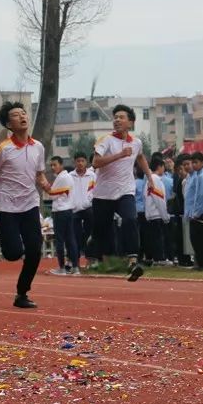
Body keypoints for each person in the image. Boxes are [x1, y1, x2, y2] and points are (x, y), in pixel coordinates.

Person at [0, 102, 52, 309]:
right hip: (7, 205)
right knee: (12, 253)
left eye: (23, 113)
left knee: (35, 250)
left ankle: (22, 293)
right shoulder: (3, 149)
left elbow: (39, 173)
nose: (22, 116)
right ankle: (2, 231)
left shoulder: (38, 147)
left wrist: (45, 184)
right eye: (15, 115)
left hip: (29, 203)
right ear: (8, 124)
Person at [91, 104, 153, 282]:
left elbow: (140, 157)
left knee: (130, 219)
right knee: (101, 231)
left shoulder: (136, 142)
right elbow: (95, 162)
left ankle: (133, 261)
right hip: (103, 194)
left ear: (130, 122)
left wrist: (149, 177)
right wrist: (119, 155)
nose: (117, 120)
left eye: (121, 117)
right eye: (115, 117)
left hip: (125, 190)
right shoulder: (106, 140)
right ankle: (93, 241)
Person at [48, 156, 80, 275]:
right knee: (70, 239)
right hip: (68, 211)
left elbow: (51, 195)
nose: (52, 167)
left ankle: (62, 267)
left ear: (61, 165)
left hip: (60, 211)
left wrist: (44, 185)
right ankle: (75, 267)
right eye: (51, 165)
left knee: (60, 240)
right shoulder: (68, 177)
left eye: (55, 165)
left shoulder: (62, 177)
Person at [185, 152, 203, 270]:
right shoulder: (197, 176)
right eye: (193, 162)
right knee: (198, 240)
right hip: (196, 212)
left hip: (202, 213)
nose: (193, 165)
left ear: (202, 163)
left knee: (202, 240)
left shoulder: (202, 176)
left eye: (196, 162)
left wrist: (196, 213)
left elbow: (202, 196)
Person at [143, 157, 170, 265]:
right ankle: (160, 259)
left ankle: (156, 258)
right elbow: (159, 200)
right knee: (159, 238)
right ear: (160, 166)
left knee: (153, 238)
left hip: (150, 214)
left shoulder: (149, 180)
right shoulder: (156, 180)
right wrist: (165, 216)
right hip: (156, 214)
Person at [70, 152, 95, 262]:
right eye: (78, 161)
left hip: (88, 208)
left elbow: (96, 190)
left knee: (90, 234)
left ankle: (91, 258)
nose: (80, 163)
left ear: (86, 162)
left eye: (82, 161)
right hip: (74, 209)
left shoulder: (92, 176)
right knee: (76, 234)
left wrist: (90, 200)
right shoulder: (69, 176)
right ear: (74, 162)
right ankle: (76, 260)